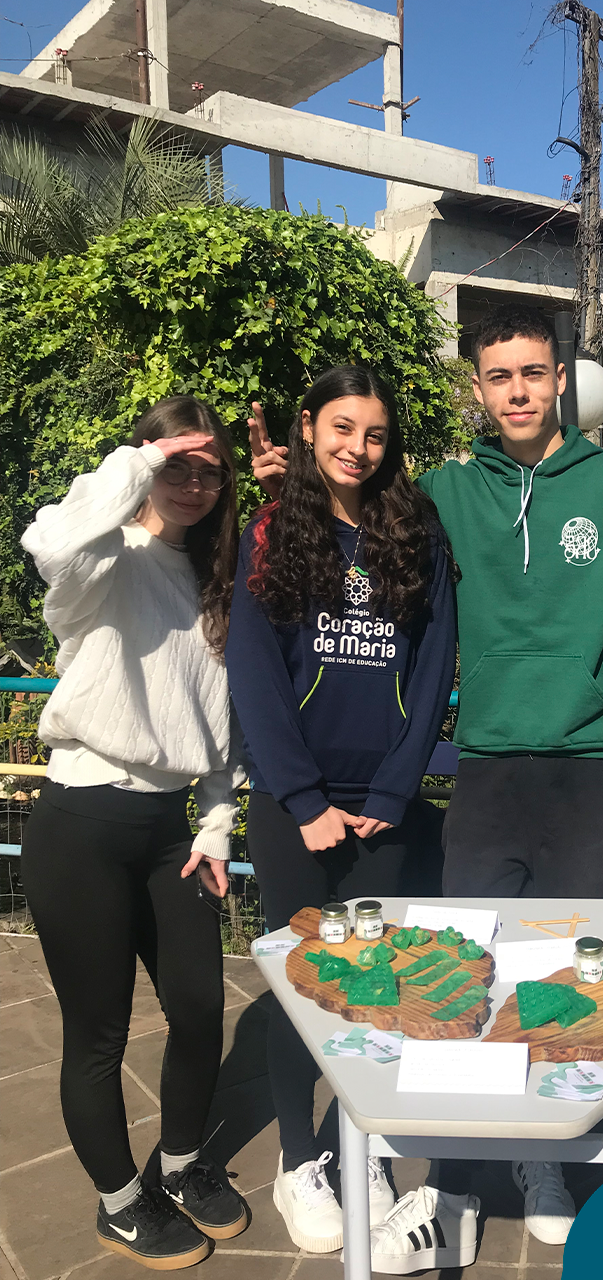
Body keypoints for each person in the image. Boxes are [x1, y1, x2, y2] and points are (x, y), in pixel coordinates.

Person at [250, 305, 603, 1247]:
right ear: (478, 388)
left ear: (560, 379)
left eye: (531, 373)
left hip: (593, 775)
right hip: (486, 773)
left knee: (571, 984)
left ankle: (549, 1159)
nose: (516, 391)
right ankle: (459, 1181)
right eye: (498, 376)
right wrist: (292, 487)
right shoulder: (441, 492)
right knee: (472, 980)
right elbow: (349, 518)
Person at [225, 366, 458, 1258]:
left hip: (381, 810)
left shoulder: (416, 534)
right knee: (301, 990)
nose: (357, 448)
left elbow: (433, 667)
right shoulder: (272, 532)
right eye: (342, 428)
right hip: (298, 810)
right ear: (309, 427)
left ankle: (362, 1145)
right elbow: (254, 675)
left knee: (375, 989)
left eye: (374, 434)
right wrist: (302, 798)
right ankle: (298, 1160)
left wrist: (395, 790)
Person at [19, 397, 249, 1271]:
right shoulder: (103, 556)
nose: (191, 484)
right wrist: (137, 459)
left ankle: (181, 1165)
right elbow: (51, 544)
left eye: (207, 470)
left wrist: (219, 823)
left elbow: (222, 723)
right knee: (99, 1034)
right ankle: (120, 1202)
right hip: (81, 822)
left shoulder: (215, 580)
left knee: (199, 1007)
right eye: (173, 466)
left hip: (168, 832)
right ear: (145, 463)